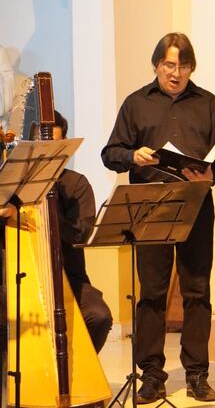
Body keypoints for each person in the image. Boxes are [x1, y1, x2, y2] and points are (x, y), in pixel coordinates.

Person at [101, 32, 215, 403]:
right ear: (156, 64)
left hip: (194, 205)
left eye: (184, 66)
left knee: (197, 292)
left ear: (192, 67)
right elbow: (110, 152)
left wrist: (210, 174)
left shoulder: (207, 103)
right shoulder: (136, 103)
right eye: (169, 65)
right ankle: (152, 376)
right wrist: (133, 157)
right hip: (150, 207)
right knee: (152, 294)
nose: (176, 73)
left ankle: (196, 374)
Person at [51, 112, 113, 352]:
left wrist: (50, 206)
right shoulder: (13, 184)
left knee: (99, 316)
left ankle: (78, 377)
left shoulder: (76, 184)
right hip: (17, 279)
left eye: (57, 144)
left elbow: (82, 234)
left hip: (70, 276)